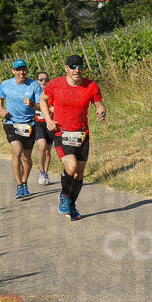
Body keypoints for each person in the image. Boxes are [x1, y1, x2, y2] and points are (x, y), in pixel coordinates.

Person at [40, 54, 105, 221]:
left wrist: (101, 111)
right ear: (66, 68)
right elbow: (43, 99)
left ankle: (72, 205)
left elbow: (98, 103)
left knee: (79, 174)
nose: (77, 70)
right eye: (73, 66)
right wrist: (48, 120)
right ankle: (64, 196)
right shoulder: (55, 84)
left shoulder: (90, 85)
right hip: (61, 132)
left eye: (80, 67)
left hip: (82, 134)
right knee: (71, 166)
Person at [0, 59, 42, 200]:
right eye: (18, 70)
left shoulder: (34, 85)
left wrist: (33, 105)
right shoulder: (5, 84)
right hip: (11, 122)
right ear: (13, 71)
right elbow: (0, 98)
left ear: (26, 70)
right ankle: (18, 185)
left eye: (23, 69)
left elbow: (42, 106)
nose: (21, 72)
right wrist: (0, 109)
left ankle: (24, 183)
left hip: (29, 124)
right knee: (16, 151)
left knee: (26, 157)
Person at [32, 71, 55, 186]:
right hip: (39, 123)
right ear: (37, 81)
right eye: (41, 79)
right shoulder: (34, 92)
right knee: (42, 146)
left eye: (46, 80)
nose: (44, 82)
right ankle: (41, 172)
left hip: (50, 123)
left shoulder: (51, 92)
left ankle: (46, 173)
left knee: (48, 151)